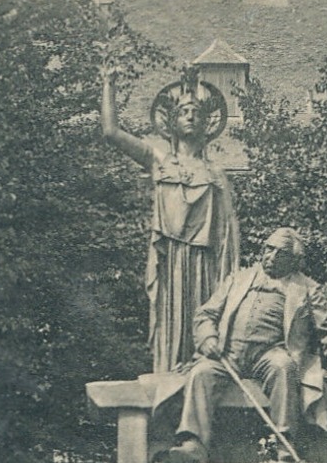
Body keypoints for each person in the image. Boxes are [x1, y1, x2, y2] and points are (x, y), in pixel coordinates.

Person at [162, 228, 327, 463]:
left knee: (284, 367)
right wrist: (208, 337)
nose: (271, 256)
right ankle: (193, 444)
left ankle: (284, 442)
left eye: (280, 253)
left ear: (294, 260)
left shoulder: (307, 288)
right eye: (269, 249)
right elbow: (206, 314)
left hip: (269, 354)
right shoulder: (238, 279)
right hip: (227, 353)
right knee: (201, 373)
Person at [101, 65, 239, 373]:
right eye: (184, 112)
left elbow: (229, 233)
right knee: (171, 323)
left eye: (197, 113)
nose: (190, 116)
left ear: (207, 124)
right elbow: (111, 132)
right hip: (171, 258)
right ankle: (168, 373)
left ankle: (203, 374)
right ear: (172, 122)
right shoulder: (159, 161)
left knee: (204, 322)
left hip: (206, 262)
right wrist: (108, 84)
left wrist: (228, 278)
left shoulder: (216, 174)